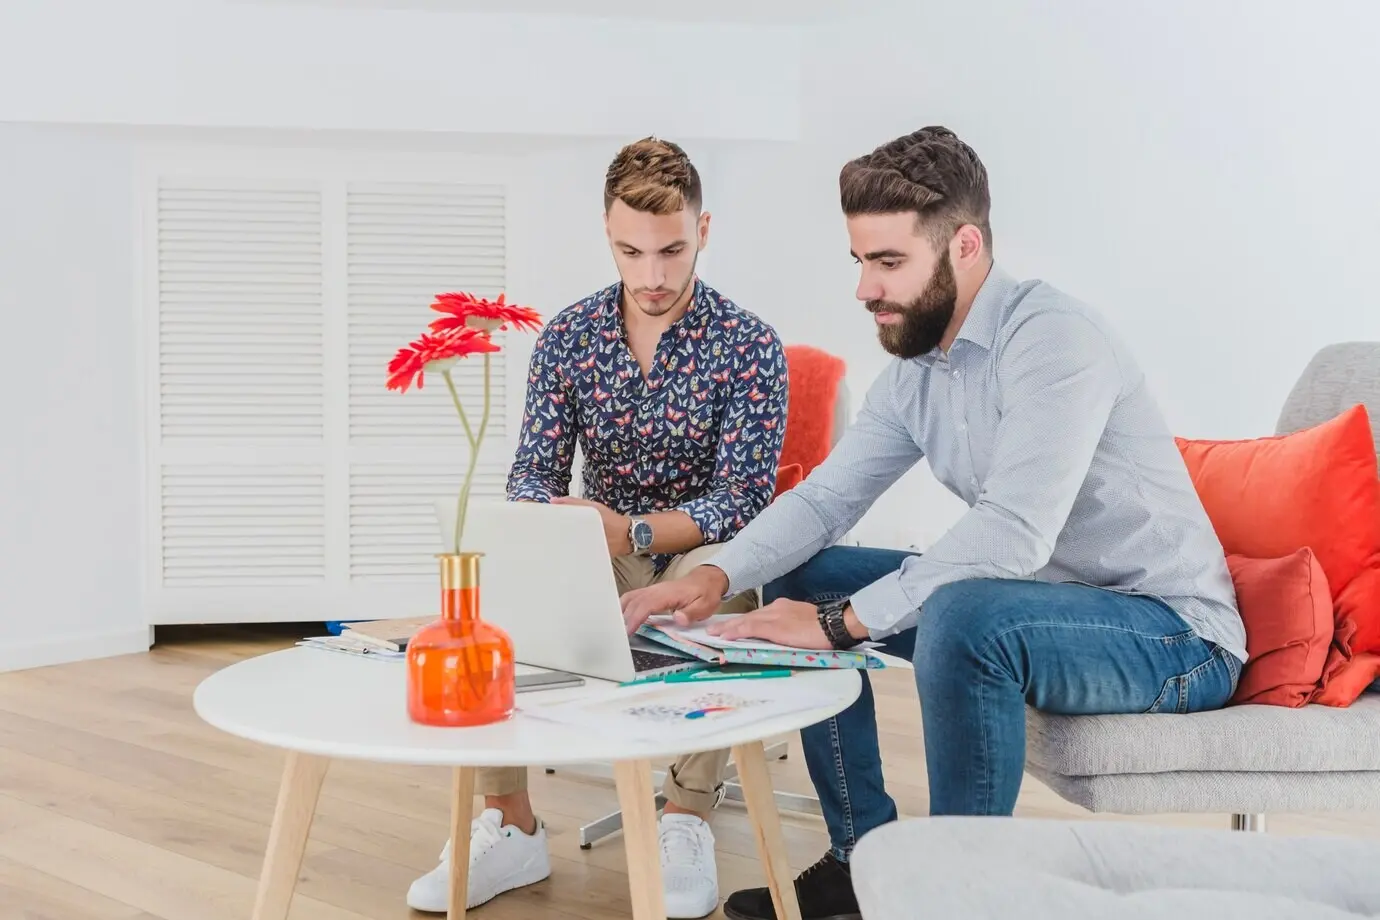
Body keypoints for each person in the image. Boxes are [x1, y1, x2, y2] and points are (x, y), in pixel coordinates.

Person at [619, 126, 1248, 920]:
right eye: (860, 262)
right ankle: (861, 861)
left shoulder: (1054, 342)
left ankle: (963, 892)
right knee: (809, 570)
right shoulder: (919, 368)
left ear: (966, 247)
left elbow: (1015, 534)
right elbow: (824, 502)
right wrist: (714, 574)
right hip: (1038, 608)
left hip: (1171, 636)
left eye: (888, 264)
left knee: (961, 610)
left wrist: (843, 625)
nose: (864, 290)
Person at [406, 136, 789, 918]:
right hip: (597, 555)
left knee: (724, 570)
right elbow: (531, 476)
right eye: (630, 251)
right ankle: (508, 822)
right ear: (607, 236)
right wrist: (557, 522)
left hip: (690, 555)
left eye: (672, 250)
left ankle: (683, 814)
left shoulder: (750, 345)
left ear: (704, 231)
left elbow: (744, 500)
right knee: (501, 570)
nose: (652, 275)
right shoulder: (568, 339)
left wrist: (635, 533)